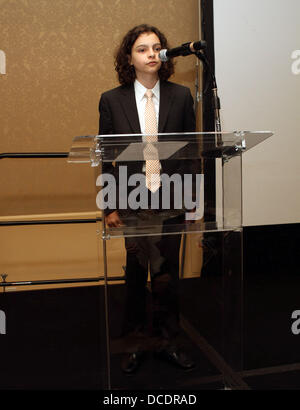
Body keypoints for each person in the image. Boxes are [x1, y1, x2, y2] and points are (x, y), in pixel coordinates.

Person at [98, 24, 196, 374]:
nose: (152, 54)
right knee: (138, 278)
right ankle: (137, 345)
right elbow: (106, 157)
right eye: (142, 49)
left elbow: (191, 153)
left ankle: (169, 343)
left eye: (157, 48)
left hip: (171, 202)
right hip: (133, 203)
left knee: (168, 279)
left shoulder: (182, 96)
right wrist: (109, 205)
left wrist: (194, 201)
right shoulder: (112, 100)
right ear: (130, 57)